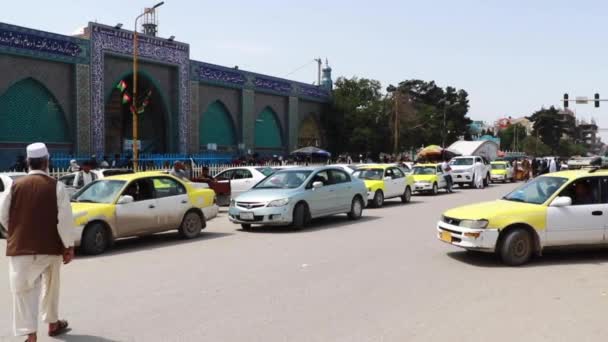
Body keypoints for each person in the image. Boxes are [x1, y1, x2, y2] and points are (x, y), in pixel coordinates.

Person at [0, 143, 74, 341]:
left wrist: (16, 233)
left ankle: (30, 336)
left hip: (20, 250)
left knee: (23, 291)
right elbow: (65, 220)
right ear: (46, 162)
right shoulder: (56, 186)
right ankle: (52, 323)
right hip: (50, 249)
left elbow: (3, 216)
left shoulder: (15, 186)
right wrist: (68, 246)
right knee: (52, 286)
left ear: (27, 162)